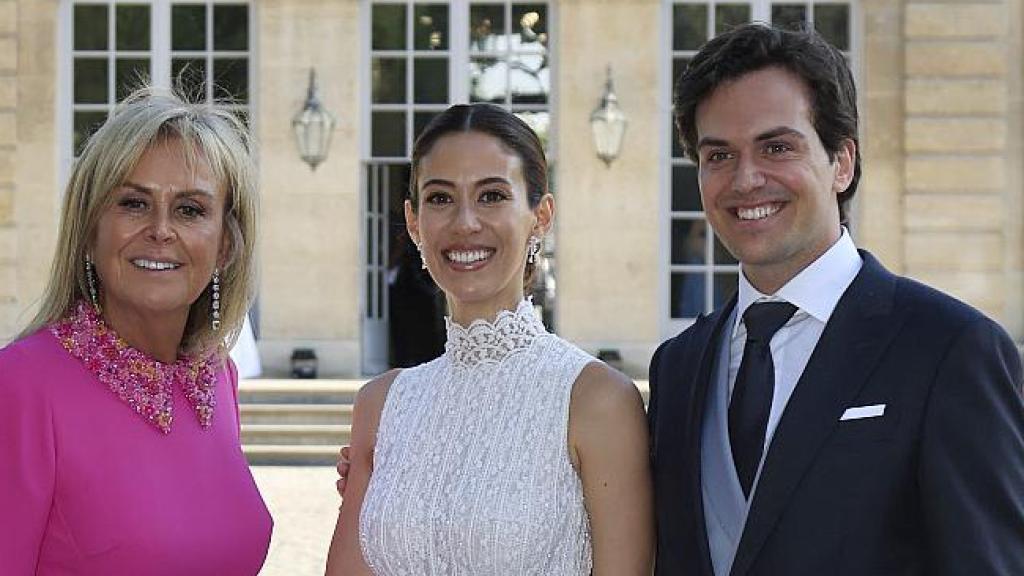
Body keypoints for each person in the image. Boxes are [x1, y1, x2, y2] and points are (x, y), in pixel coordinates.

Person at [648, 22, 1024, 576]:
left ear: (842, 163)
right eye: (719, 155)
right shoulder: (678, 367)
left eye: (777, 147)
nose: (745, 180)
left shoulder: (950, 350)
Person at [326, 103, 652, 575]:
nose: (465, 222)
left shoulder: (597, 400)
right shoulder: (381, 403)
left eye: (492, 195)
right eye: (441, 198)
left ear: (541, 216)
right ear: (414, 222)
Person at [0, 87, 271, 574]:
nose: (161, 229)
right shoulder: (20, 384)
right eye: (133, 203)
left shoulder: (217, 378)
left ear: (226, 245)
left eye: (190, 209)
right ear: (89, 229)